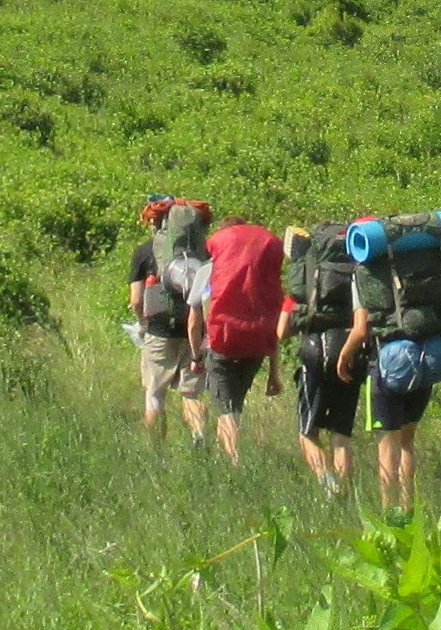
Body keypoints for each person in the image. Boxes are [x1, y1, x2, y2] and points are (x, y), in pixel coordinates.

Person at [346, 211, 441, 514]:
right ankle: (408, 505)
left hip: (388, 362)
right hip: (429, 353)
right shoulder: (428, 259)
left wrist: (344, 358)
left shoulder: (365, 273)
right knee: (407, 441)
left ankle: (389, 511)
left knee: (387, 441)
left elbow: (361, 330)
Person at [280, 222, 364, 498]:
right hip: (350, 353)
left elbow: (281, 332)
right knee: (340, 434)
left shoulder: (305, 280)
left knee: (308, 432)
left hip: (315, 352)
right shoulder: (357, 274)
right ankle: (346, 493)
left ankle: (329, 486)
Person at [192, 214, 284, 461]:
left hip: (220, 344)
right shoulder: (260, 275)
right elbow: (273, 324)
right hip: (254, 347)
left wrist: (196, 355)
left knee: (226, 410)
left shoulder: (208, 270)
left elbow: (194, 320)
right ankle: (232, 455)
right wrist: (275, 373)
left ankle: (234, 463)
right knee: (236, 406)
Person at [126, 198, 206, 439]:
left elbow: (136, 300)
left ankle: (156, 451)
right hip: (194, 332)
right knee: (191, 394)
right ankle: (199, 434)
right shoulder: (203, 252)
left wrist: (143, 324)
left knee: (154, 394)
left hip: (158, 331)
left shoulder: (144, 251)